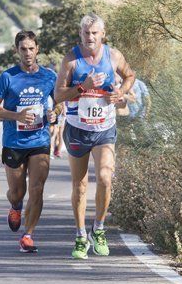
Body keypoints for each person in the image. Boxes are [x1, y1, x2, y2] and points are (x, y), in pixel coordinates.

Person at [54, 13, 135, 259]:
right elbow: (58, 96)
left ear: (103, 34)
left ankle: (98, 229)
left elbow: (130, 75)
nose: (90, 37)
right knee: (79, 186)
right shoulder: (71, 60)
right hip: (78, 129)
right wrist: (83, 87)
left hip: (104, 129)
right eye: (86, 33)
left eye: (95, 33)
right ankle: (80, 236)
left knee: (105, 178)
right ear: (81, 35)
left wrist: (120, 92)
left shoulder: (114, 56)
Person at [0, 31, 58, 253]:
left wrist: (55, 113)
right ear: (16, 50)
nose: (27, 53)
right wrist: (17, 116)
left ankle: (28, 235)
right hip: (14, 141)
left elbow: (58, 103)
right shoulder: (8, 77)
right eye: (23, 49)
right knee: (18, 191)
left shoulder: (49, 76)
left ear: (37, 49)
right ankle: (15, 206)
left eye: (31, 48)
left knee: (37, 189)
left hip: (40, 139)